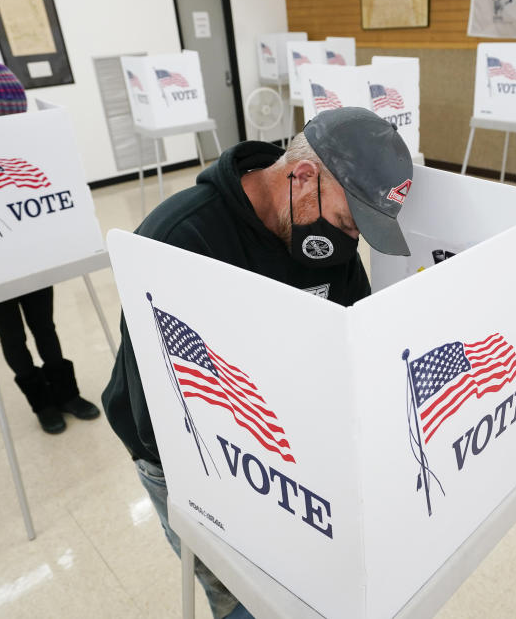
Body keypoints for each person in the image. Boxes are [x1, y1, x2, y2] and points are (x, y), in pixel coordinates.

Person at [102, 107, 413, 619]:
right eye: (345, 222)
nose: (348, 241)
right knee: (237, 593)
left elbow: (351, 341)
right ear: (304, 176)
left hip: (286, 456)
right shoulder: (179, 240)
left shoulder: (330, 235)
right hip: (187, 455)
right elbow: (157, 409)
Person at [0, 58, 100, 434]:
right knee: (12, 335)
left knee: (45, 325)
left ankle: (67, 393)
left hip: (28, 248)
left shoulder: (14, 132)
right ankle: (41, 402)